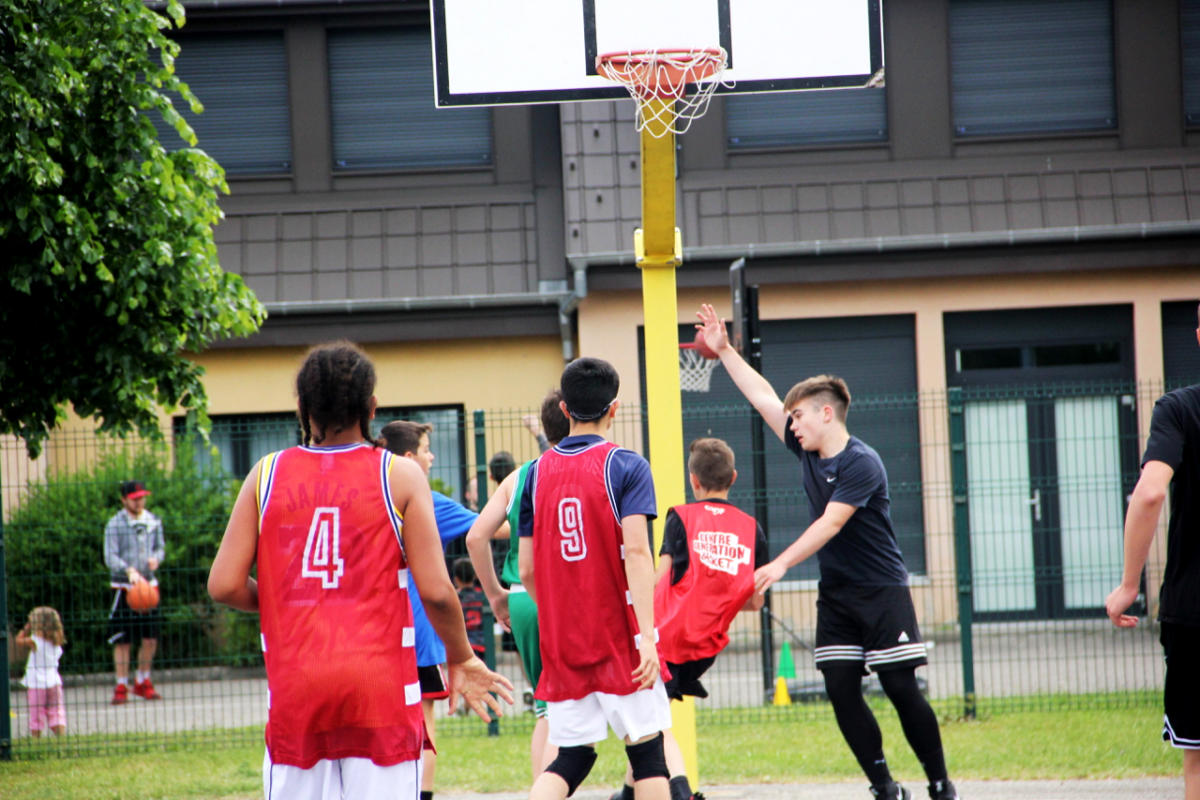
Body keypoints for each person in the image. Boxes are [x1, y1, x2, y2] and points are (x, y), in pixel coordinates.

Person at [208, 340, 512, 800]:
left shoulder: (264, 474)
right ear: (371, 408)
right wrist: (463, 657)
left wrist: (285, 600)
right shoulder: (399, 475)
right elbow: (436, 591)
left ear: (302, 407)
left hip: (297, 687)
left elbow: (224, 584)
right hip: (379, 689)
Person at [695, 304, 958, 800]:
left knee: (901, 688)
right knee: (839, 688)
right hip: (837, 594)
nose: (791, 425)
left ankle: (941, 785)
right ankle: (884, 787)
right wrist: (725, 350)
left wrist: (779, 563)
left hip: (881, 591)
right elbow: (763, 397)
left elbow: (831, 523)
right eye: (790, 418)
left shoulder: (862, 462)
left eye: (797, 416)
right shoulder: (806, 449)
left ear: (826, 413)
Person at [517, 357, 672, 800]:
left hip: (564, 641)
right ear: (615, 408)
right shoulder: (627, 465)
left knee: (571, 757)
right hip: (619, 635)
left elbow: (527, 569)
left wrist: (559, 615)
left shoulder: (535, 473)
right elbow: (637, 552)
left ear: (564, 409)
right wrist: (647, 636)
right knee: (648, 755)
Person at [611, 437, 768, 800]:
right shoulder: (751, 528)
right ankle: (626, 793)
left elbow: (659, 578)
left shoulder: (681, 517)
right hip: (706, 645)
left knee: (653, 723)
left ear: (693, 480)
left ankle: (682, 792)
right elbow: (755, 601)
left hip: (668, 638)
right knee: (650, 715)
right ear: (734, 477)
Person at [1105, 305, 1200, 800]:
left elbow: (1149, 493)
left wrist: (1129, 584)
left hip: (1194, 611)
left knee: (1198, 761)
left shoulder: (1180, 409)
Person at [465, 389, 569, 780]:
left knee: (546, 709)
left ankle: (541, 787)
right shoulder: (586, 469)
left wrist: (494, 594)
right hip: (561, 597)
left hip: (522, 600)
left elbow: (476, 536)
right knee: (566, 712)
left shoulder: (519, 476)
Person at [378, 419, 482, 800]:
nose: (432, 456)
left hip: (377, 629)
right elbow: (486, 528)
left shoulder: (372, 496)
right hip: (419, 633)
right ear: (409, 458)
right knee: (423, 723)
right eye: (425, 450)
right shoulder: (424, 499)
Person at [104, 479, 165, 704]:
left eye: (142, 498)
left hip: (148, 587)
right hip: (124, 587)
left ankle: (142, 680)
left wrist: (156, 559)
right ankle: (121, 684)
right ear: (124, 500)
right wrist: (127, 569)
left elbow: (160, 548)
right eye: (134, 499)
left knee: (150, 638)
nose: (139, 502)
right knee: (123, 640)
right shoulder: (114, 524)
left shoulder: (153, 521)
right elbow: (110, 556)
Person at [16, 606, 67, 737]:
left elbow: (18, 640)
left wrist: (26, 628)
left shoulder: (34, 641)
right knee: (56, 711)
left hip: (37, 683)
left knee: (36, 713)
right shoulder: (57, 642)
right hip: (54, 682)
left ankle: (36, 738)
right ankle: (61, 736)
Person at [452, 558, 487, 657]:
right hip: (482, 642)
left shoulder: (455, 597)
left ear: (456, 579)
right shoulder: (482, 595)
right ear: (475, 576)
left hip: (463, 644)